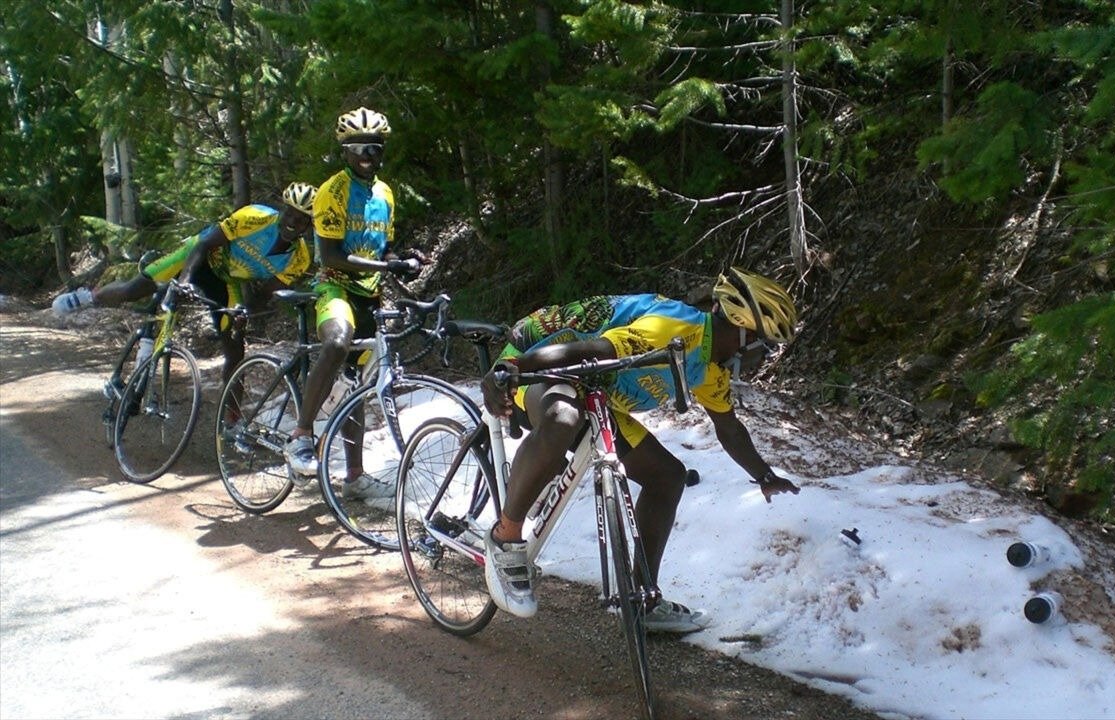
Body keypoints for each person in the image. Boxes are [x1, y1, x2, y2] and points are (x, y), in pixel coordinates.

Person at [479, 267, 803, 632]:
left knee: (667, 477)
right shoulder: (675, 330)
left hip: (591, 383)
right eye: (766, 345)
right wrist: (514, 367)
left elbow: (728, 428)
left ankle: (642, 598)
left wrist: (764, 476)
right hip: (540, 354)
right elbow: (595, 349)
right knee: (563, 420)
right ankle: (505, 539)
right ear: (743, 332)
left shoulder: (711, 367)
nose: (766, 358)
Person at [283, 106, 422, 499]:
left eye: (375, 147)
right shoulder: (333, 190)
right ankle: (301, 433)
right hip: (336, 286)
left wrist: (402, 258)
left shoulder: (385, 193)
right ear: (344, 151)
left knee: (355, 385)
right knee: (337, 342)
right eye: (359, 147)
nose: (368, 155)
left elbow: (386, 247)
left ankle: (355, 476)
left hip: (371, 293)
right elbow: (330, 256)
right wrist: (385, 263)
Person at [52, 182, 317, 384]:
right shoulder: (255, 217)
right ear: (282, 210)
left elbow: (265, 292)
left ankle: (232, 421)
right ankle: (90, 297)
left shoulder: (300, 258)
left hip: (226, 280)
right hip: (198, 257)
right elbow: (204, 244)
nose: (293, 222)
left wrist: (244, 310)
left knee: (235, 347)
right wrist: (186, 280)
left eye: (302, 219)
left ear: (308, 225)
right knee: (136, 289)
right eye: (290, 214)